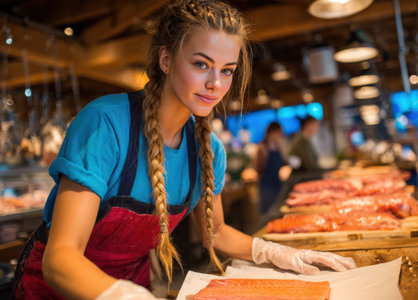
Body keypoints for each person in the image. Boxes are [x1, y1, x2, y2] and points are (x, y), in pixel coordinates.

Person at [12, 1, 356, 299]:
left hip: (132, 285)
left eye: (227, 71)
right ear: (165, 59)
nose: (215, 84)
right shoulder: (107, 124)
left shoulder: (209, 150)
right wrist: (119, 295)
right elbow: (60, 259)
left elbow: (215, 232)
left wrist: (274, 252)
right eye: (201, 64)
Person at [255, 122, 285, 214]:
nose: (279, 136)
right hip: (267, 186)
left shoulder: (278, 146)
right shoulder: (262, 148)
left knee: (278, 210)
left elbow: (283, 162)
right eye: (278, 133)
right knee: (268, 213)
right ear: (271, 133)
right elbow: (258, 168)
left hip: (278, 184)